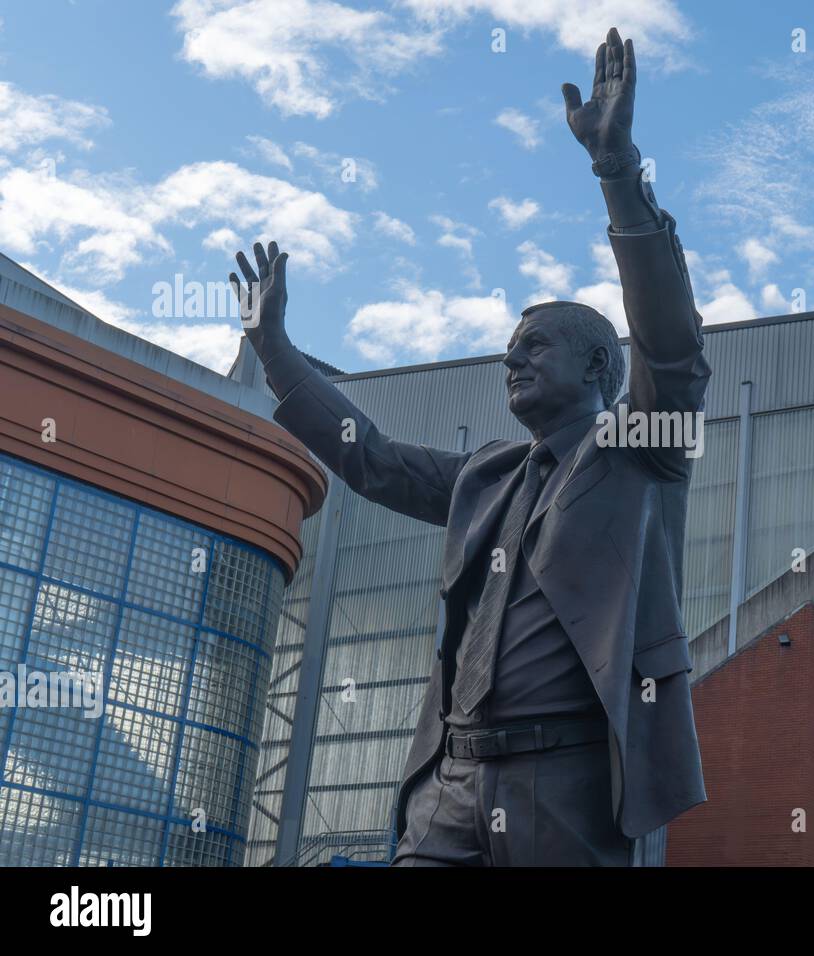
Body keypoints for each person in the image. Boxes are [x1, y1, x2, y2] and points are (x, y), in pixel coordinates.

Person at [229, 27, 709, 866]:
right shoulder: (486, 476)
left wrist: (616, 171)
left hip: (567, 787)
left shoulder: (641, 447)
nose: (512, 359)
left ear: (599, 365)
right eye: (508, 350)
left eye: (535, 345)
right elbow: (369, 455)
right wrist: (276, 355)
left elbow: (669, 346)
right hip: (451, 785)